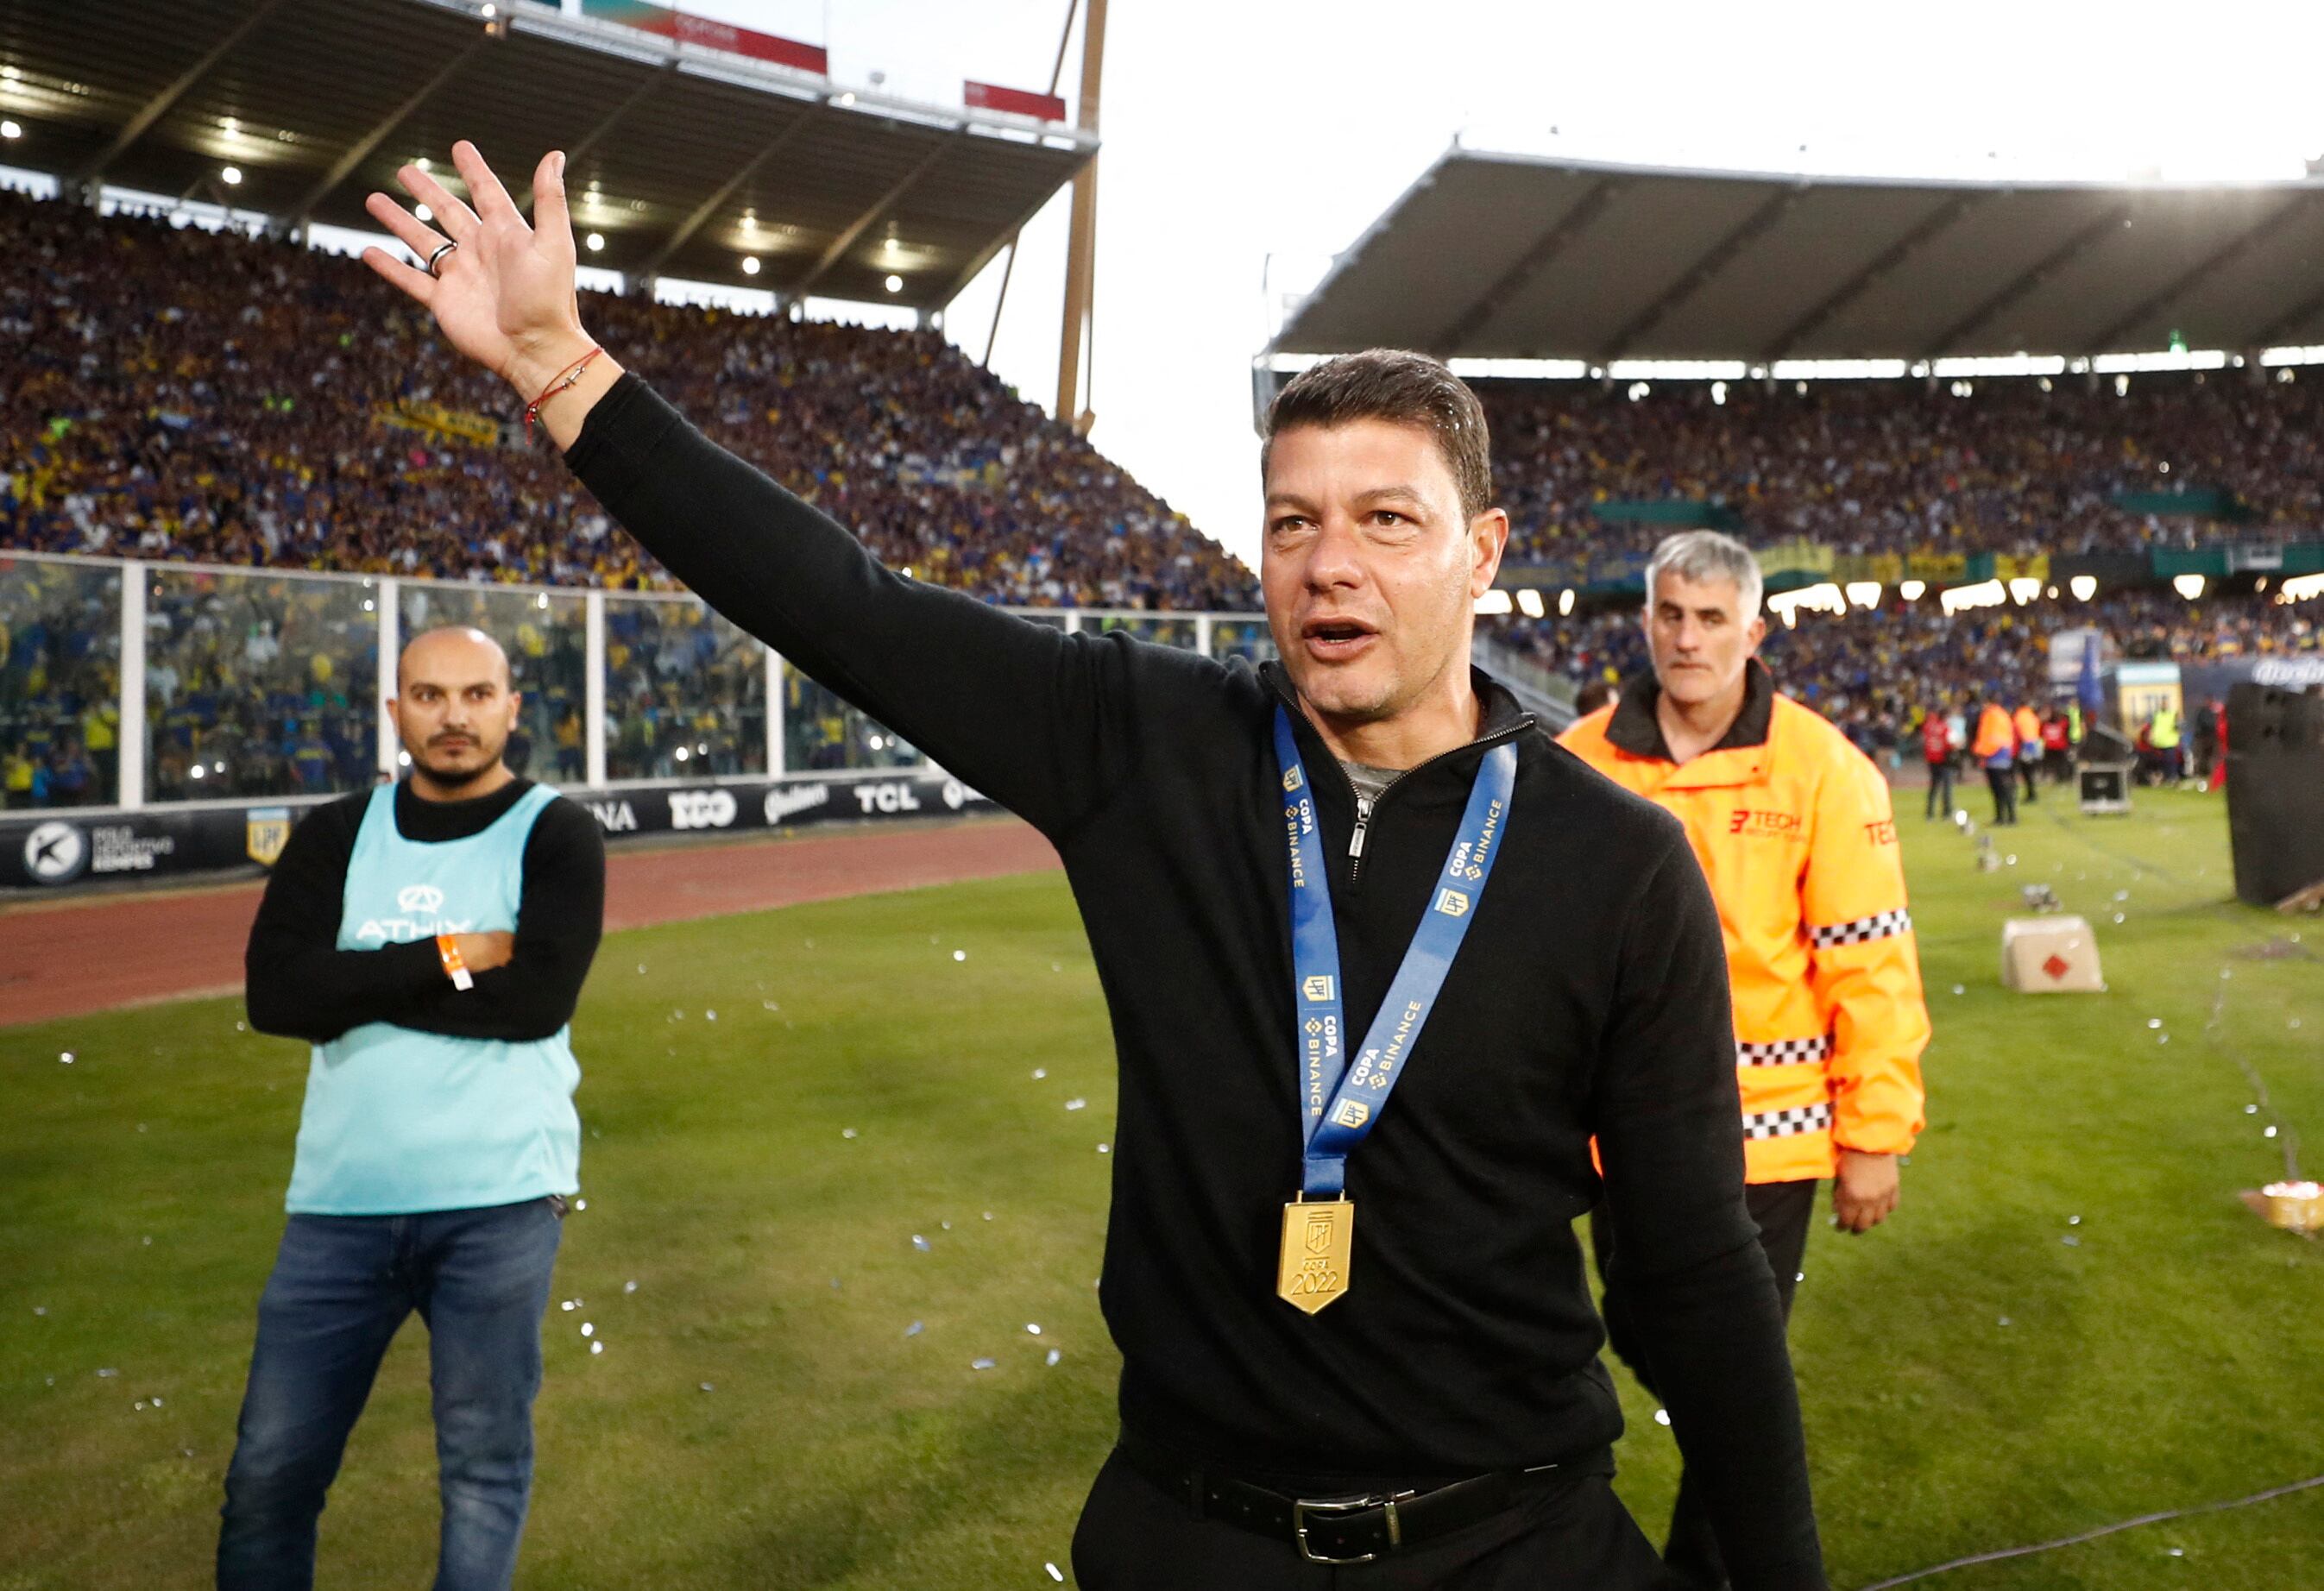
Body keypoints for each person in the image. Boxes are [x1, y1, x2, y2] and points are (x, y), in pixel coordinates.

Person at [358, 142, 1829, 1589]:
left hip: (1511, 1538)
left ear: (1481, 551)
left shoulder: (1616, 859)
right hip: (1194, 1533)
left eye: (1388, 521)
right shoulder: (1146, 742)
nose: (1331, 562)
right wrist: (558, 365)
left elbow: (1693, 1269)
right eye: (1294, 523)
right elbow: (847, 608)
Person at [1559, 532, 1929, 1590]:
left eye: (1711, 618)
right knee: (1641, 1330)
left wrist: (1873, 1134)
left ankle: (1705, 1569)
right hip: (1610, 1137)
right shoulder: (1578, 758)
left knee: (1726, 1370)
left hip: (1765, 1139)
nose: (1688, 638)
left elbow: (1867, 963)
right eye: (1671, 614)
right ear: (1645, 621)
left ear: (1752, 630)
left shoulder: (1822, 767)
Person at [221, 625, 607, 1591]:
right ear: (395, 711)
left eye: (476, 694)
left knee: (481, 1471)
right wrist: (450, 953)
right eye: (430, 696)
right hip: (339, 1206)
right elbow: (276, 997)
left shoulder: (555, 833)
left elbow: (534, 1004)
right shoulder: (335, 832)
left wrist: (351, 981)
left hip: (499, 1202)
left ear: (512, 708)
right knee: (269, 1476)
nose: (453, 716)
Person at [1972, 695, 2016, 825]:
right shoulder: (2003, 715)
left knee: (1998, 789)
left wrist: (1981, 753)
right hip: (2004, 754)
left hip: (1994, 755)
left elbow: (1987, 737)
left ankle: (2002, 817)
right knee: (2005, 788)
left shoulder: (1990, 716)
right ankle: (2010, 817)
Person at [1919, 697, 1956, 819]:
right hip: (1944, 759)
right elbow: (1951, 744)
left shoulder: (1928, 727)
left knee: (1934, 786)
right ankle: (1947, 812)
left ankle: (1930, 813)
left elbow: (1925, 740)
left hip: (1932, 759)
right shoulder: (1946, 728)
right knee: (1947, 787)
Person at [2012, 701, 2042, 804]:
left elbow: (2018, 732)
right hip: (2034, 743)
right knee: (2030, 772)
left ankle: (2030, 794)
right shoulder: (2032, 716)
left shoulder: (2019, 715)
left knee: (2025, 772)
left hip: (2025, 745)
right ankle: (2032, 793)